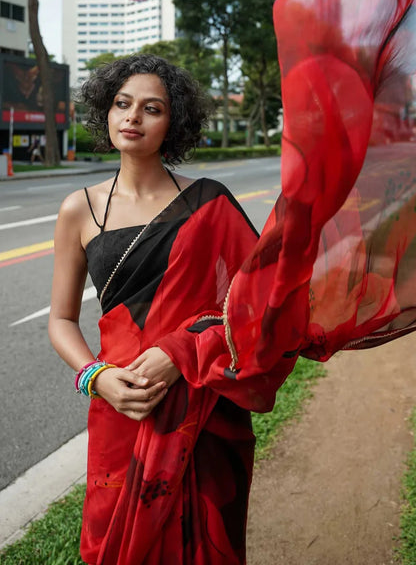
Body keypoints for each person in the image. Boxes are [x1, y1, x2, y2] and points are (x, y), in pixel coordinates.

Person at [48, 54, 266, 564]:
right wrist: (96, 377)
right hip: (121, 405)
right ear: (106, 110)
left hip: (202, 407)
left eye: (152, 109)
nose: (133, 117)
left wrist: (182, 352)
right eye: (123, 104)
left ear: (174, 123)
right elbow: (60, 320)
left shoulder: (208, 202)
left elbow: (258, 303)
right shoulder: (79, 209)